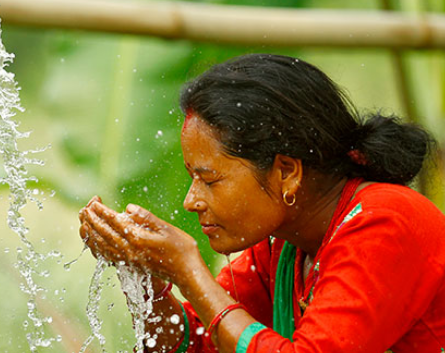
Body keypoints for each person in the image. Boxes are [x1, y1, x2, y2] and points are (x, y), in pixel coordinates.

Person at [78, 54, 445, 353]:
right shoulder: (284, 245)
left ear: (286, 172)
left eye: (209, 179)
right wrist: (144, 278)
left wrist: (189, 270)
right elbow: (193, 343)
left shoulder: (384, 222)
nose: (192, 201)